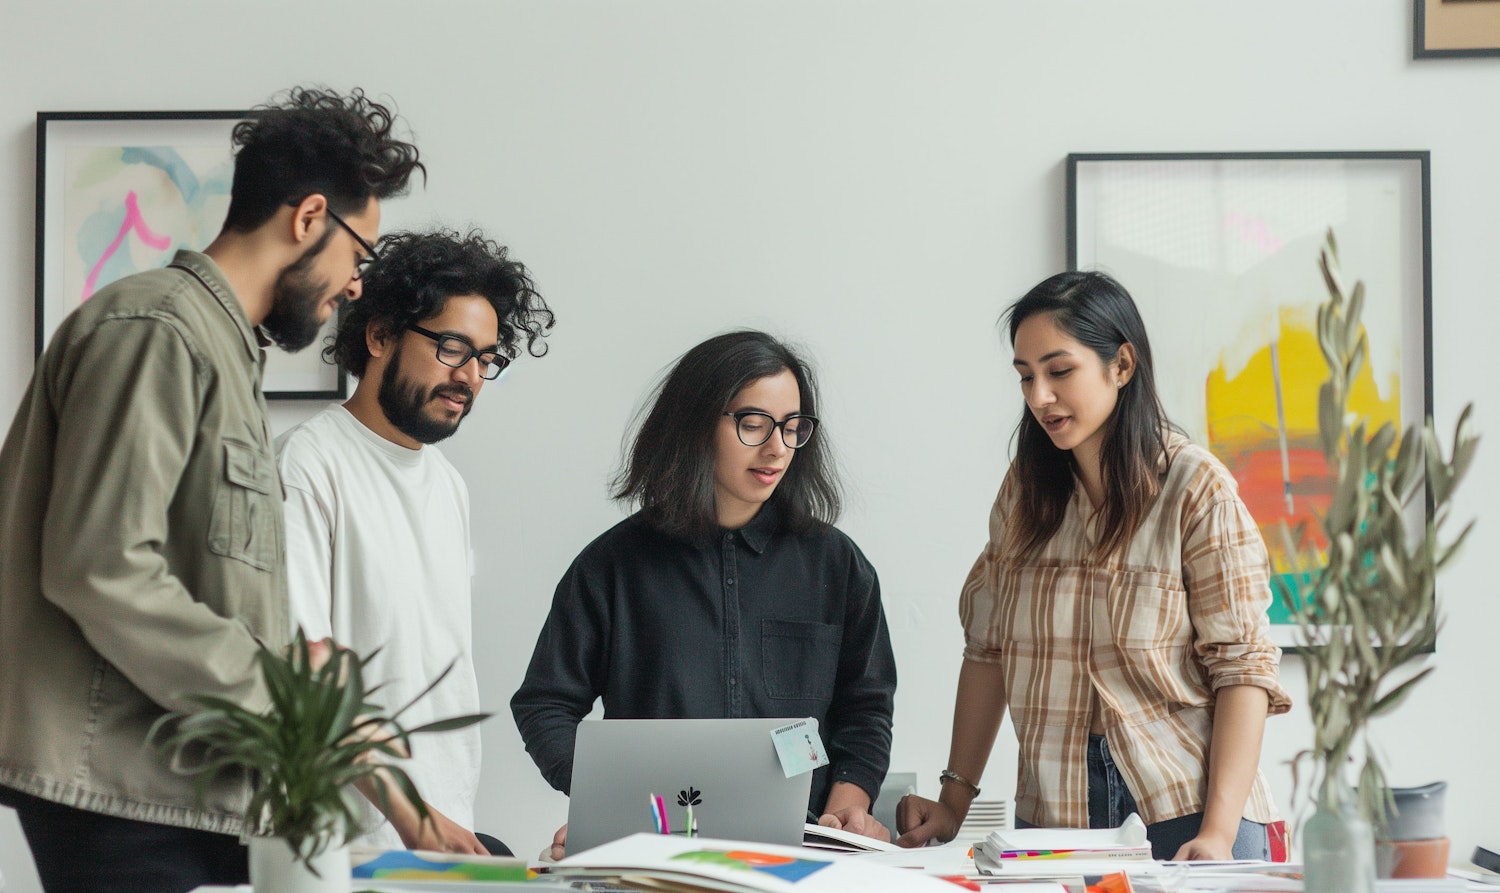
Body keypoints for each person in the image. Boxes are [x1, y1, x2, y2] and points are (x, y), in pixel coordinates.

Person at [0, 86, 422, 893]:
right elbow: (102, 567)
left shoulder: (220, 348)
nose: (355, 286)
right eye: (359, 256)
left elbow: (201, 582)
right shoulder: (156, 330)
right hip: (124, 791)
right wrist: (284, 692)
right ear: (309, 218)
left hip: (184, 788)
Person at [895, 271, 1291, 860]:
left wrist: (1218, 833)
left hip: (1187, 813)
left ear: (1122, 365)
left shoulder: (1194, 487)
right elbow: (987, 650)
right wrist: (954, 801)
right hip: (1053, 820)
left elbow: (1243, 671)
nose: (1039, 396)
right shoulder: (1025, 493)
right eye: (1026, 376)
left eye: (1059, 371)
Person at [512, 330, 897, 858]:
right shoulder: (612, 566)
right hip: (653, 853)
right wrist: (609, 802)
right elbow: (545, 703)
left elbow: (866, 706)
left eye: (792, 427)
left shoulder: (837, 565)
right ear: (695, 423)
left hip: (803, 851)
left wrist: (849, 806)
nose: (776, 448)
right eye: (753, 424)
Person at [276, 229, 554, 855]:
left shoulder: (448, 485)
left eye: (487, 359)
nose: (471, 377)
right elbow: (300, 672)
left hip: (440, 836)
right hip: (337, 848)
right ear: (379, 336)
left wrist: (441, 819)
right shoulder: (306, 464)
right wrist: (414, 816)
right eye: (453, 348)